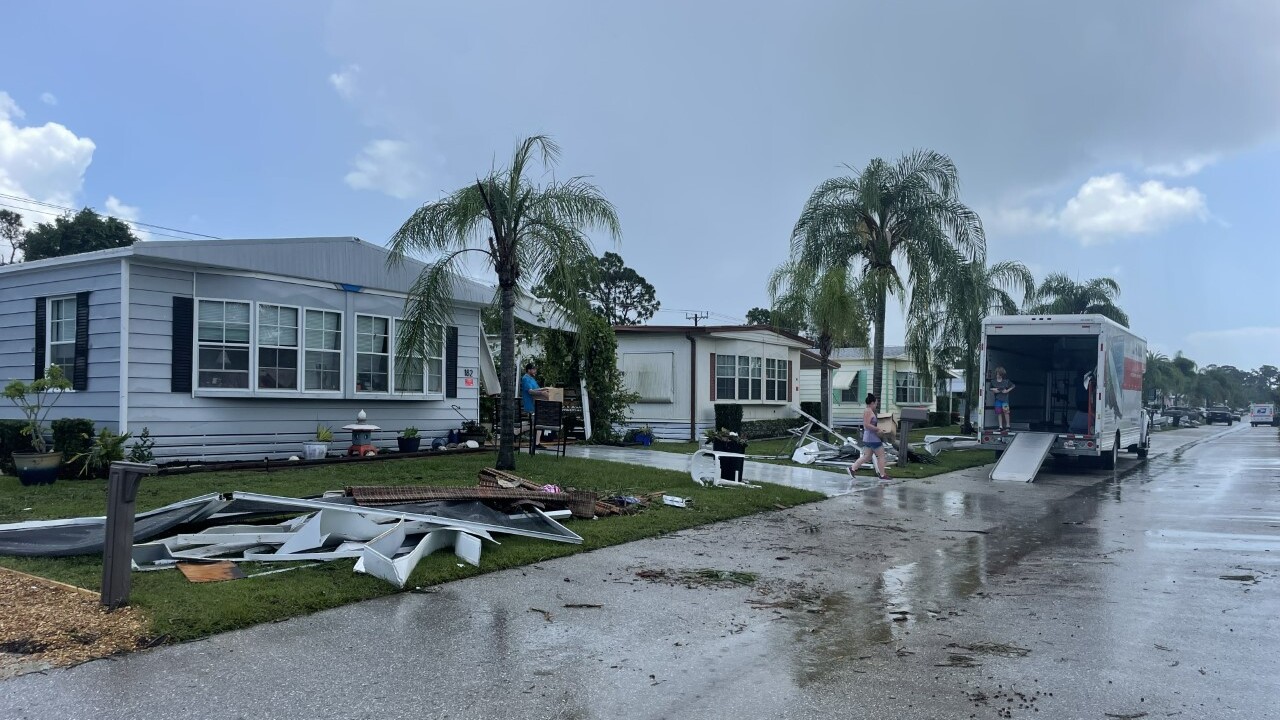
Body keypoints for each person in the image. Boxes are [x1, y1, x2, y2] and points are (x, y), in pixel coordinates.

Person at [847, 393, 890, 482]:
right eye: (875, 403)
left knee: (867, 457)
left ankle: (852, 468)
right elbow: (866, 425)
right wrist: (878, 429)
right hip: (872, 438)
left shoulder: (868, 411)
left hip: (868, 438)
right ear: (872, 403)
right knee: (881, 456)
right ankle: (882, 475)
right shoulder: (868, 411)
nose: (876, 405)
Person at [520, 363, 550, 445]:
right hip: (530, 405)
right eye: (533, 369)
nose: (535, 371)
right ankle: (517, 431)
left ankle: (537, 442)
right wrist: (542, 393)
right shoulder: (525, 379)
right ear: (528, 370)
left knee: (539, 423)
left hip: (537, 404)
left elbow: (537, 389)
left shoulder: (532, 379)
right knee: (537, 423)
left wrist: (545, 389)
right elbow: (530, 391)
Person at [990, 366, 1016, 431]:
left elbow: (1013, 385)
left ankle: (1008, 426)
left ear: (1002, 375)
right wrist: (995, 389)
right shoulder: (993, 381)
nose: (998, 375)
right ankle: (1000, 426)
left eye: (999, 374)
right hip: (997, 400)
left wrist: (1007, 391)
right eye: (997, 374)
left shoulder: (1006, 381)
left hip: (1005, 400)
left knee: (1006, 412)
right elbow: (990, 388)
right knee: (999, 413)